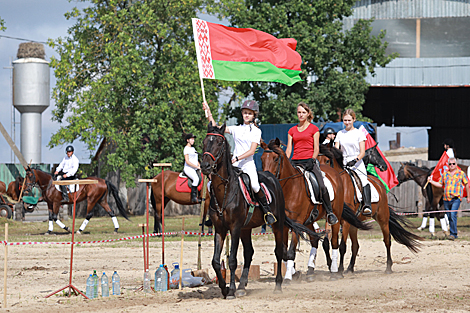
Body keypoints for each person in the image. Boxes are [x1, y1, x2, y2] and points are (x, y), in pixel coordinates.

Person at [202, 100, 276, 225]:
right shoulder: (236, 128)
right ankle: (215, 212)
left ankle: (267, 212)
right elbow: (217, 129)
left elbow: (252, 151)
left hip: (247, 165)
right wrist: (208, 112)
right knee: (211, 185)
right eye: (245, 113)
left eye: (249, 113)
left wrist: (237, 158)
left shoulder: (256, 131)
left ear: (254, 116)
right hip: (233, 165)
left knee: (255, 185)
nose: (247, 115)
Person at [285, 102, 338, 225]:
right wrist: (287, 162)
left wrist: (313, 160)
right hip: (295, 162)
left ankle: (329, 212)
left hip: (310, 161)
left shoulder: (314, 129)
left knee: (321, 184)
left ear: (308, 114)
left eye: (303, 112)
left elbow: (316, 149)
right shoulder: (292, 130)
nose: (301, 115)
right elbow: (288, 149)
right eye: (299, 112)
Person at [334, 109, 372, 215]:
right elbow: (337, 149)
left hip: (356, 162)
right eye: (345, 120)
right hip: (343, 162)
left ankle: (367, 205)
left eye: (349, 120)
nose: (347, 122)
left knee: (364, 180)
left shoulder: (359, 134)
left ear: (354, 119)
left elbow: (363, 152)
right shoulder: (340, 134)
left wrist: (355, 160)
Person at [427, 157, 470, 240]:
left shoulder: (461, 173)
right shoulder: (445, 174)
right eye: (450, 164)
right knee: (449, 216)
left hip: (456, 198)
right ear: (448, 165)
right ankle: (453, 233)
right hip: (446, 199)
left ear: (456, 164)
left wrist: (468, 196)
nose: (452, 165)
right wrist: (431, 181)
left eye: (453, 164)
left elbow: (467, 184)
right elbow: (440, 184)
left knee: (453, 214)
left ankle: (453, 234)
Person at [183, 133, 201, 203]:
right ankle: (193, 197)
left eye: (193, 139)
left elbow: (196, 160)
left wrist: (199, 166)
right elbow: (187, 161)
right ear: (188, 140)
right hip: (188, 168)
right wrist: (196, 166)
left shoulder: (193, 148)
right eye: (192, 139)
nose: (193, 141)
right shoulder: (186, 149)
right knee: (196, 179)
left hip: (195, 168)